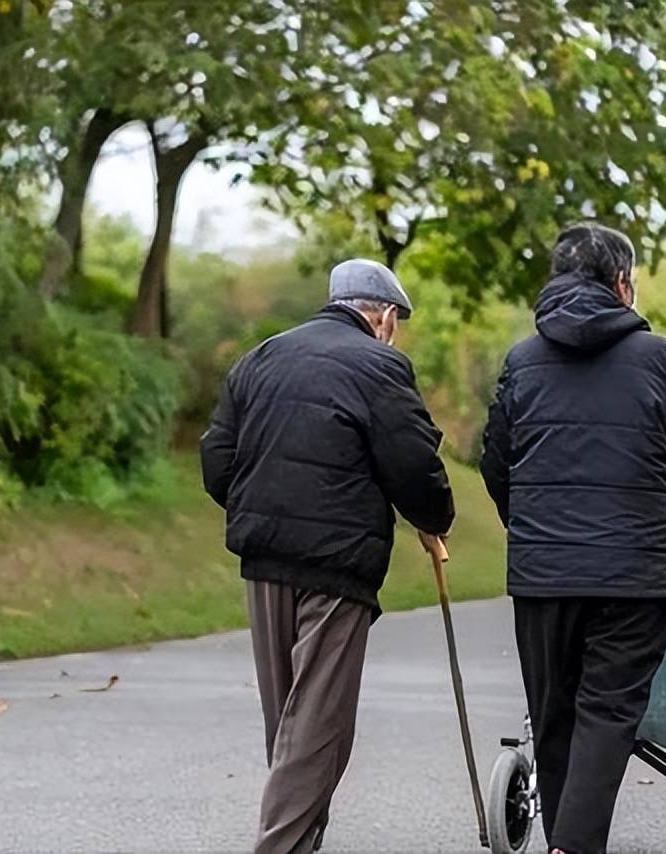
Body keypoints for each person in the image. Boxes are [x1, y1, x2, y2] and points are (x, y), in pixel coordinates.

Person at [200, 258, 455, 854]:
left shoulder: (260, 357)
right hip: (337, 564)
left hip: (263, 559)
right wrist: (433, 520)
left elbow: (217, 460)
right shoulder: (381, 365)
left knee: (289, 720)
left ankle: (299, 840)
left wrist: (257, 507)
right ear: (386, 317)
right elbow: (412, 463)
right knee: (317, 724)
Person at [479, 223, 666, 854]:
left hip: (544, 575)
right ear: (623, 285)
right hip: (635, 575)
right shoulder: (660, 359)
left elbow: (497, 463)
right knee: (606, 716)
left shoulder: (522, 361)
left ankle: (566, 845)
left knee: (553, 717)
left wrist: (532, 531)